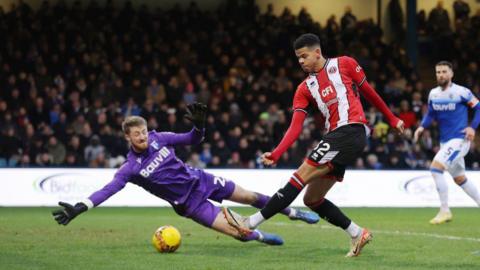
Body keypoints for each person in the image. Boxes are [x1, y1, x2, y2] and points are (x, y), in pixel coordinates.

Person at [223, 33, 404, 257]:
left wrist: (392, 118)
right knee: (312, 199)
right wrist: (278, 152)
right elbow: (295, 126)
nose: (300, 61)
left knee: (299, 176)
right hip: (338, 138)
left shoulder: (345, 64)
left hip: (349, 130)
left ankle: (250, 223)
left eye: (304, 56)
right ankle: (357, 233)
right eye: (298, 58)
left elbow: (370, 92)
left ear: (317, 52)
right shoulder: (304, 88)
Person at [52, 103, 320, 246]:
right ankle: (261, 238)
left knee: (249, 196)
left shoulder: (160, 138)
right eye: (137, 134)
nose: (143, 136)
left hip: (201, 180)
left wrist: (200, 127)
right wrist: (81, 206)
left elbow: (191, 139)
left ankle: (293, 212)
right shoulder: (130, 168)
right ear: (127, 137)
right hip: (189, 204)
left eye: (144, 131)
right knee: (240, 233)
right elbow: (107, 190)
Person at [413, 61, 480, 224]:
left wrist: (472, 128)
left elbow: (478, 108)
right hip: (445, 142)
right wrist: (422, 127)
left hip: (460, 140)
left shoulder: (461, 92)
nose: (440, 75)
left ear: (451, 74)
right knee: (460, 179)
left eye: (444, 71)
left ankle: (445, 210)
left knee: (435, 169)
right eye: (438, 72)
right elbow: (431, 114)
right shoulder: (433, 94)